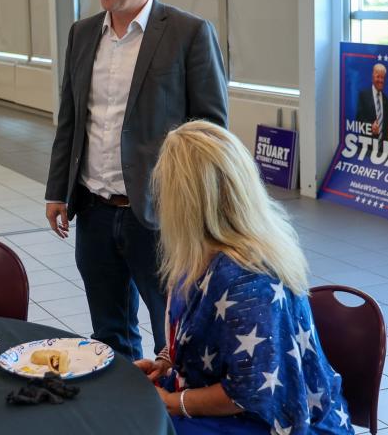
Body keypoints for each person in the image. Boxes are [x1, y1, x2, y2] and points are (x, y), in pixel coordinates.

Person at [45, 0, 229, 361]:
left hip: (161, 214)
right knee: (109, 333)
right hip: (92, 210)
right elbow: (70, 119)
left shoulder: (188, 33)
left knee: (175, 333)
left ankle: (173, 420)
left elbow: (211, 133)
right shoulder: (82, 33)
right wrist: (57, 191)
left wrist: (201, 213)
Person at [135, 121, 352, 434]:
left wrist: (171, 402)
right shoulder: (202, 253)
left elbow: (248, 393)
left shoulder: (249, 280)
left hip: (265, 418)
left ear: (186, 202)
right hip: (222, 400)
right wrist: (166, 363)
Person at [354, 62, 388, 140]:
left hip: (383, 148)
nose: (380, 80)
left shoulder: (387, 101)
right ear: (372, 77)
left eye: (382, 77)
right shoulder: (363, 95)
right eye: (378, 77)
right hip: (366, 146)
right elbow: (358, 119)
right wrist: (370, 127)